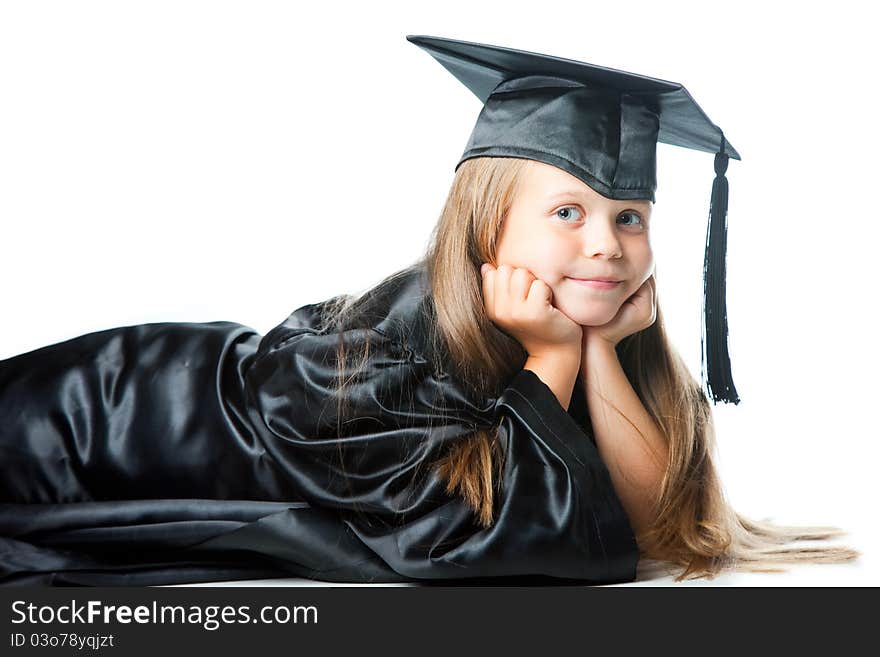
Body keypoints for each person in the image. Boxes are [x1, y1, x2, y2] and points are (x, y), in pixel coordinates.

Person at [0, 35, 859, 586]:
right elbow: (488, 548)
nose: (607, 243)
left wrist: (593, 354)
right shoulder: (376, 358)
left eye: (628, 217)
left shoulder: (575, 330)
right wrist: (553, 362)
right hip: (93, 424)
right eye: (568, 212)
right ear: (488, 227)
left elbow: (652, 525)